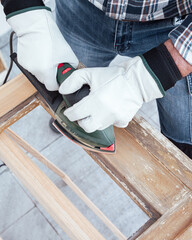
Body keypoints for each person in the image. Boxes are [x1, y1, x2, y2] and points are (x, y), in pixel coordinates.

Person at [2, 0, 192, 158]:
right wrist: (27, 16)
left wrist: (145, 79)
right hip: (80, 11)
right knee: (64, 82)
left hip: (175, 28)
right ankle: (68, 116)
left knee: (183, 138)